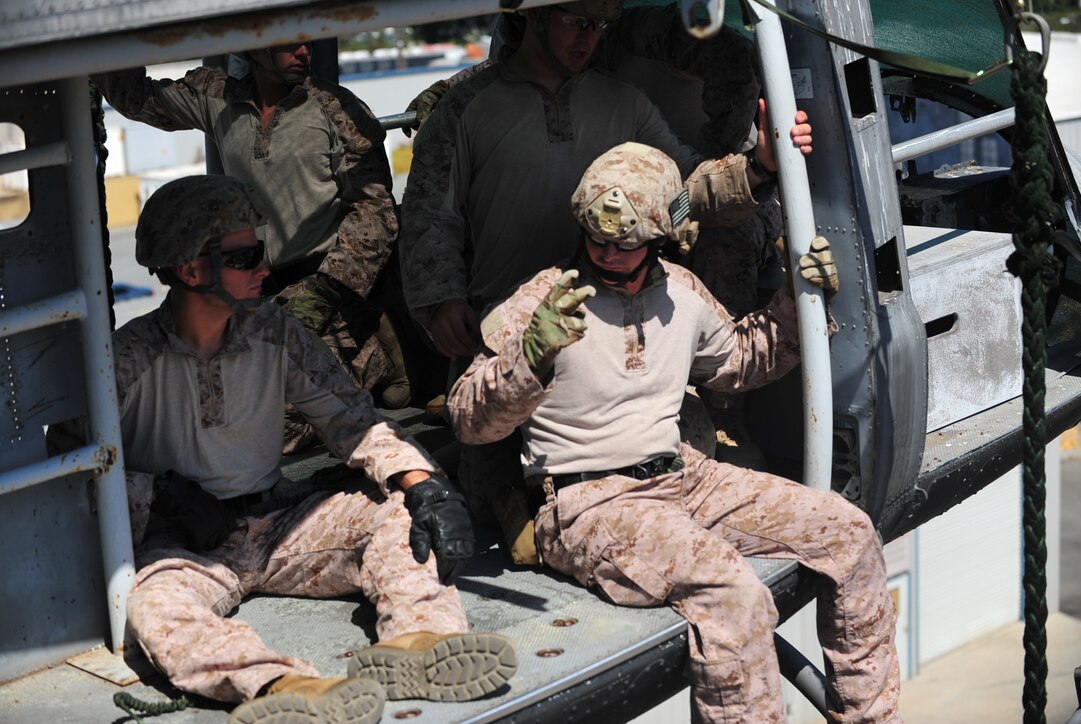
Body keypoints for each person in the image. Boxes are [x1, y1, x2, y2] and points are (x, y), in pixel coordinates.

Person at [446, 143, 897, 723]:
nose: (608, 255)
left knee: (851, 533)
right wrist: (529, 360)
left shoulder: (680, 292)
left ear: (657, 238)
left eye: (625, 244)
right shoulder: (544, 301)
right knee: (731, 594)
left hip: (683, 477)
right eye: (598, 240)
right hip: (590, 503)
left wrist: (796, 300)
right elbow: (466, 417)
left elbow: (739, 360)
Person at [400, 0, 812, 557]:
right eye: (576, 22)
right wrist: (441, 299)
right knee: (486, 483)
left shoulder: (624, 104)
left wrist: (757, 168)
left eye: (599, 27)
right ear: (537, 16)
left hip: (604, 330)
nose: (589, 38)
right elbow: (430, 214)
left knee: (673, 452)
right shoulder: (467, 108)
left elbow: (683, 196)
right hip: (508, 337)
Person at [100, 175, 516, 723]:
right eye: (246, 256)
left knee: (401, 514)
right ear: (190, 269)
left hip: (279, 524)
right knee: (155, 610)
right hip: (184, 548)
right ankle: (282, 686)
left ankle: (419, 644)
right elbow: (78, 470)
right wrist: (159, 495)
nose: (265, 269)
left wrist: (422, 483)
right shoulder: (127, 357)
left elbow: (351, 420)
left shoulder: (274, 332)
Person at [93, 41, 411, 431]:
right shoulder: (216, 97)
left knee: (279, 422)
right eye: (287, 43)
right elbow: (137, 99)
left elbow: (376, 209)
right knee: (215, 400)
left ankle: (374, 353)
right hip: (254, 295)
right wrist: (118, 30)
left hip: (329, 291)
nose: (304, 51)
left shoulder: (337, 110)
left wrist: (327, 289)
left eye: (308, 40)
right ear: (253, 49)